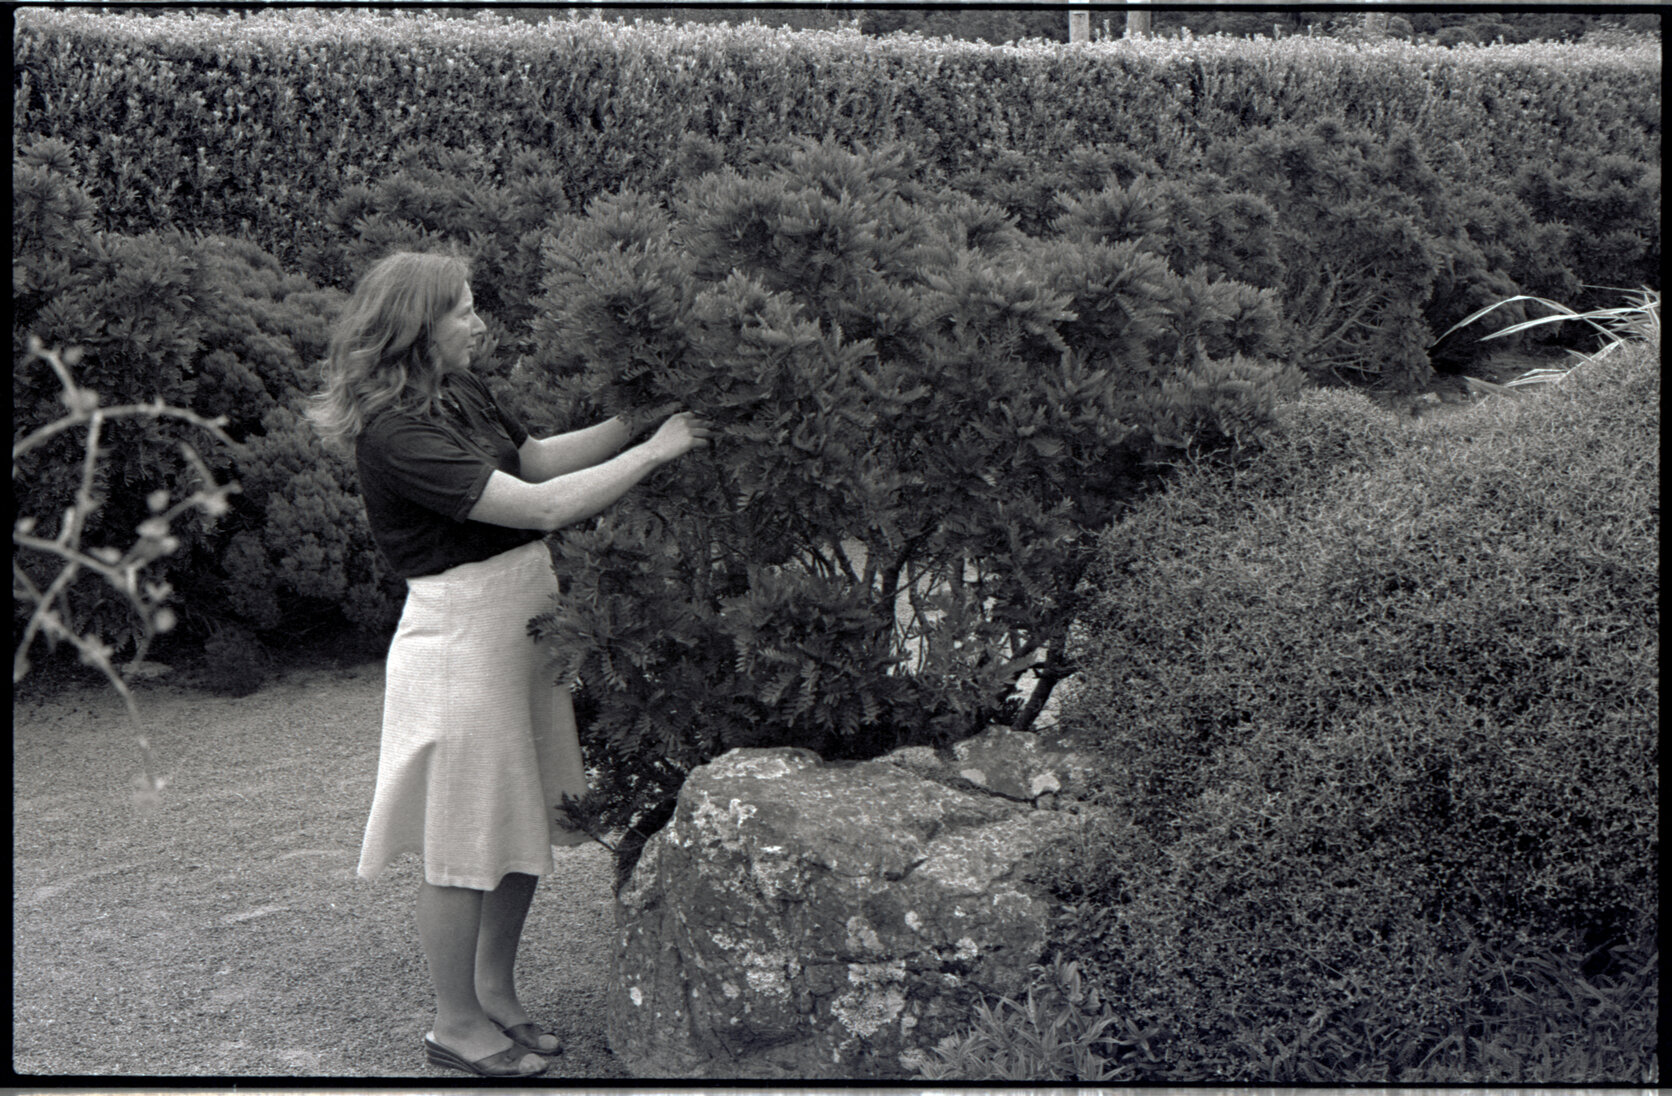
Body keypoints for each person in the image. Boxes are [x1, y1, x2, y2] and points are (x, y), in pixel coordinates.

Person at [307, 250, 712, 1077]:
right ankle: (453, 1025)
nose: (479, 320)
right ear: (419, 327)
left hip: (522, 624)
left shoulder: (456, 391)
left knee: (524, 812)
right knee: (465, 837)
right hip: (461, 641)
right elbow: (540, 506)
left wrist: (636, 420)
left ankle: (494, 993)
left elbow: (532, 460)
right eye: (462, 309)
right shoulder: (397, 431)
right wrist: (657, 453)